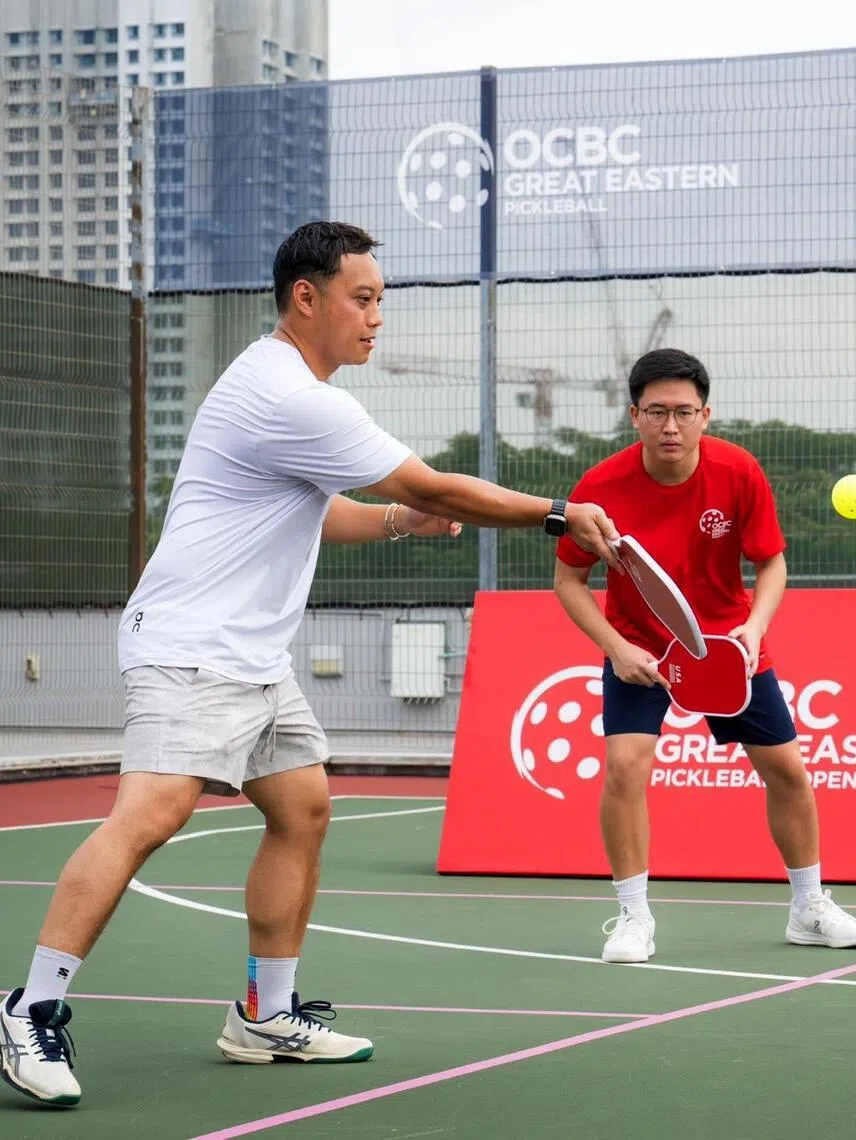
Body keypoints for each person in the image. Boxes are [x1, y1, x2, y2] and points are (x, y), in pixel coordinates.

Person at [0, 221, 620, 1108]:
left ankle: (265, 1013)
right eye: (362, 299)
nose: (376, 320)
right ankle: (31, 1005)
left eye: (380, 302)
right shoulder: (289, 394)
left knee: (304, 807)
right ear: (307, 297)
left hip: (253, 656)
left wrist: (400, 523)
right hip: (190, 646)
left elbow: (320, 511)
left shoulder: (288, 391)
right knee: (153, 813)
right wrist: (558, 512)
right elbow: (431, 484)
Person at [553, 348, 856, 965]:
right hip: (641, 648)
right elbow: (568, 581)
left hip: (729, 646)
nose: (670, 426)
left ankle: (809, 908)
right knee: (626, 768)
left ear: (706, 414)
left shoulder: (738, 471)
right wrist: (616, 649)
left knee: (787, 771)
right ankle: (632, 917)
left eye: (683, 412)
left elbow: (771, 562)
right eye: (656, 412)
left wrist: (755, 628)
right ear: (634, 415)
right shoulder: (598, 488)